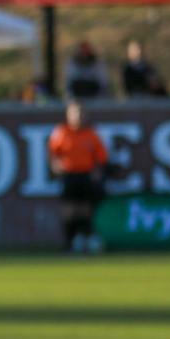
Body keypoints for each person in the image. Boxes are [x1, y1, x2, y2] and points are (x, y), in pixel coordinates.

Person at [48, 101, 108, 253]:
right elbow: (53, 153)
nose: (78, 117)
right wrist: (55, 164)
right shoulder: (61, 132)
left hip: (86, 176)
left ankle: (86, 238)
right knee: (69, 210)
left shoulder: (91, 134)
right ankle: (70, 242)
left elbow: (101, 157)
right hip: (69, 175)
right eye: (75, 113)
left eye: (81, 113)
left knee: (86, 209)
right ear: (68, 115)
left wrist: (97, 171)